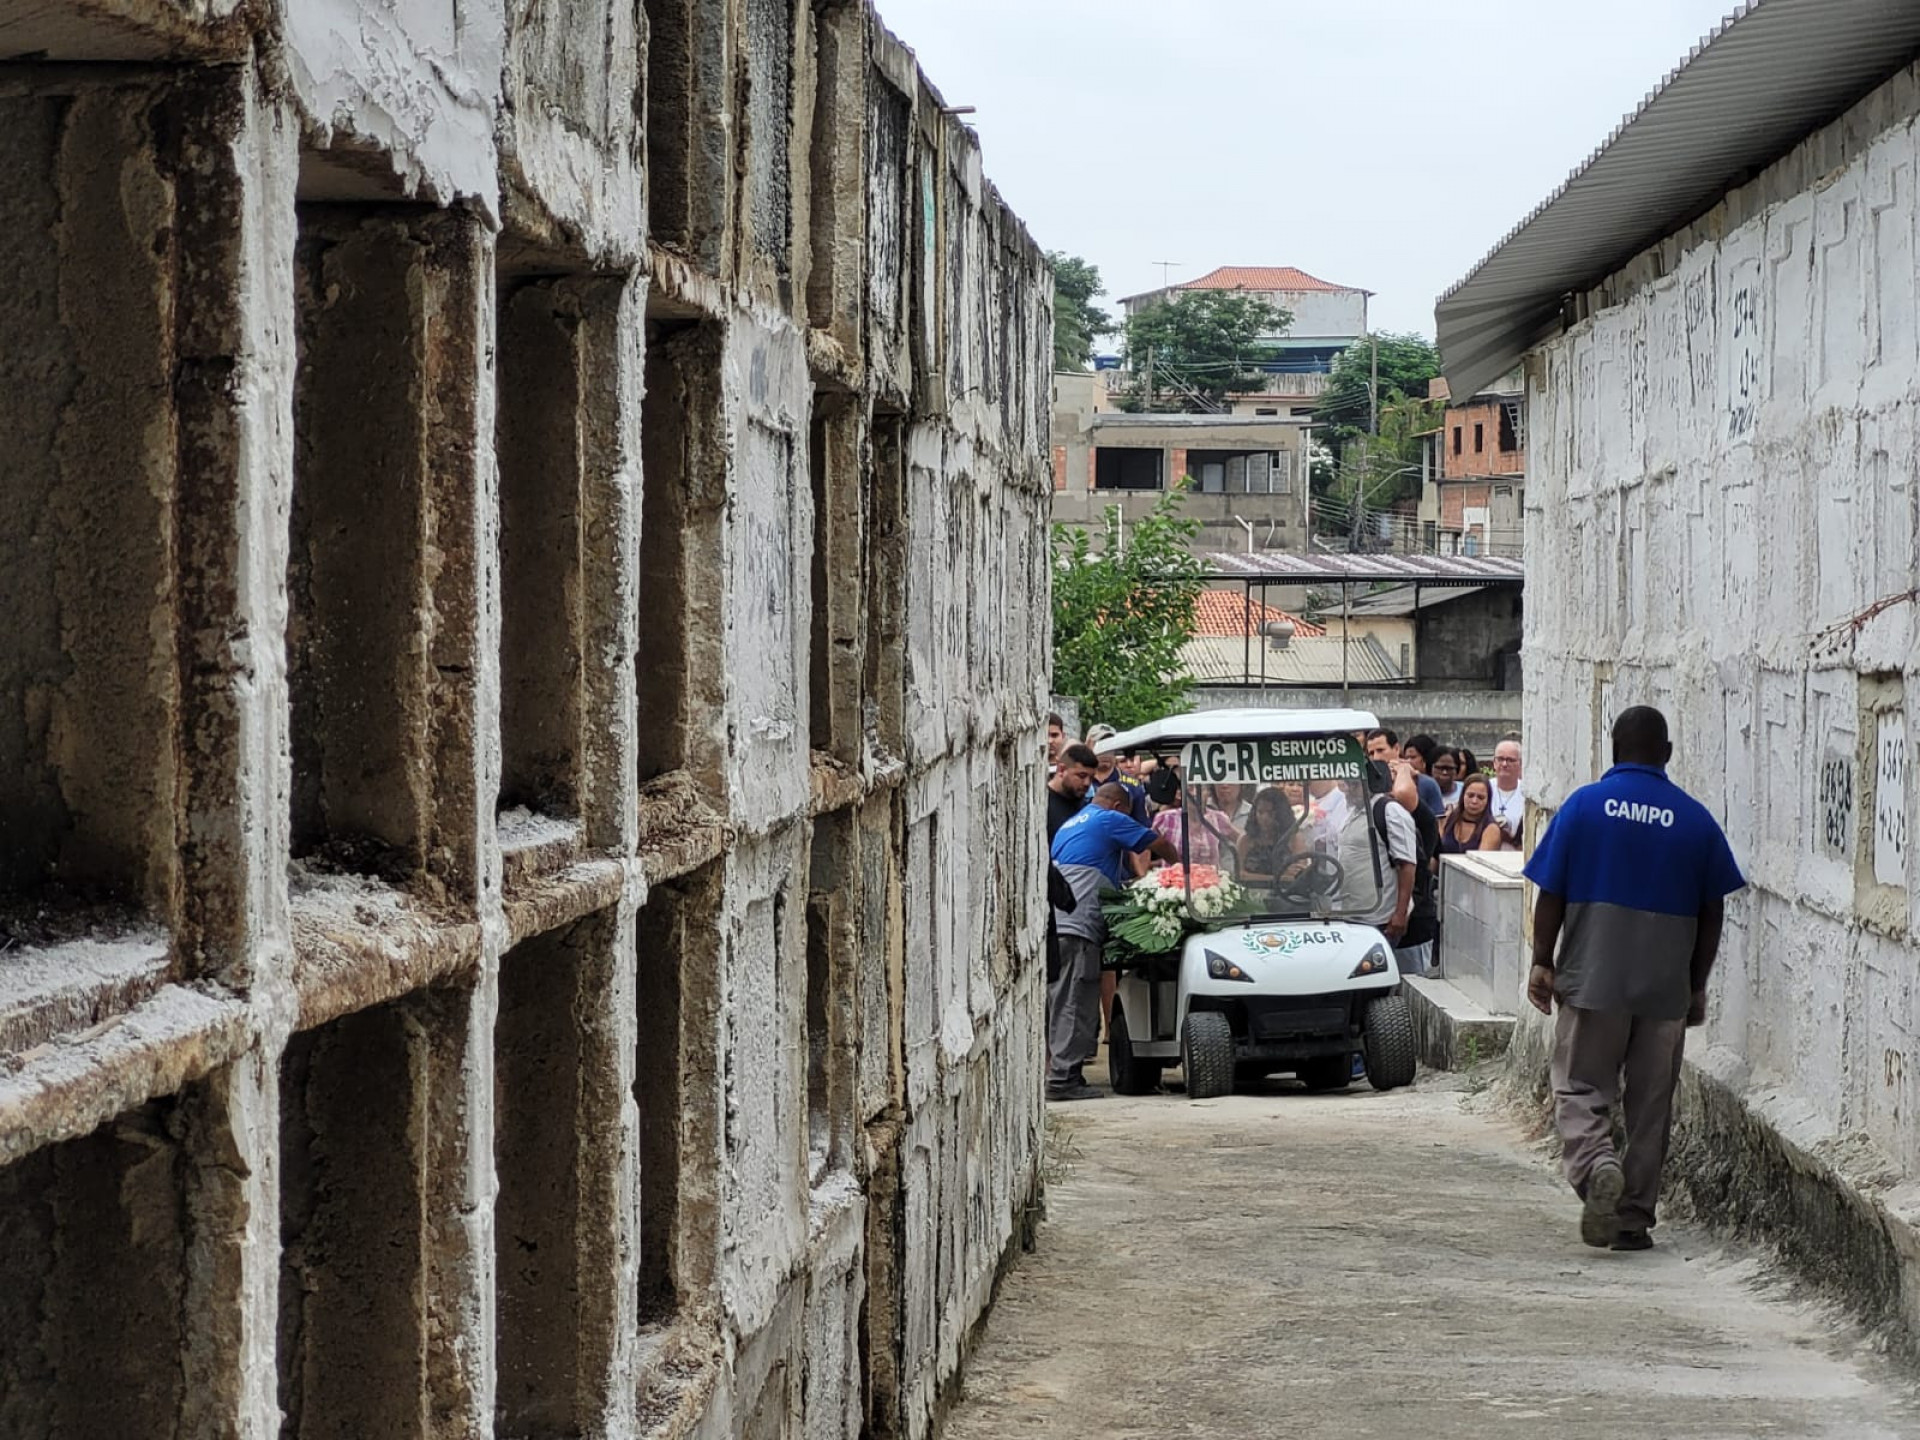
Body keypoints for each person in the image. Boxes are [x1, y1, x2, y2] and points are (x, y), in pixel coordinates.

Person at [1525, 706, 1745, 1252]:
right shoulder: (1695, 820)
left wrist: (1542, 960)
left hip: (1593, 977)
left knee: (1580, 1086)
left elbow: (1551, 892)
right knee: (1650, 1107)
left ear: (1614, 748)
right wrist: (1696, 984)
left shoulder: (1583, 808)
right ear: (1666, 753)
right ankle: (1632, 1218)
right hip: (1664, 987)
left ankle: (1598, 1165)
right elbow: (1713, 910)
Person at [1049, 784, 1179, 1101]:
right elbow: (1160, 844)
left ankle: (1061, 1072)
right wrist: (1180, 871)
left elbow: (1096, 868)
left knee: (1060, 1000)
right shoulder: (1108, 818)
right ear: (1120, 806)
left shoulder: (1072, 824)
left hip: (1058, 924)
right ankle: (1063, 1080)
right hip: (1079, 925)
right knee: (1075, 1001)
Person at [1147, 768, 1237, 868]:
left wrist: (1240, 869)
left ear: (1208, 793)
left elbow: (1242, 840)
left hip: (1210, 877)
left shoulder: (1219, 818)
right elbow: (1145, 843)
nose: (1194, 793)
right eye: (1190, 788)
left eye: (1200, 789)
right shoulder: (1165, 818)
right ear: (1181, 793)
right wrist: (1144, 869)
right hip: (1175, 877)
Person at [1237, 788, 1307, 886]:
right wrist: (1280, 877)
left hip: (1287, 892)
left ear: (1281, 814)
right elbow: (1240, 875)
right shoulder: (1246, 840)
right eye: (1260, 812)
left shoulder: (1294, 839)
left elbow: (1300, 876)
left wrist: (1253, 877)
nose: (1264, 818)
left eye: (1270, 813)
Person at [1084, 724, 1149, 826]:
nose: (1105, 750)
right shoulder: (1078, 780)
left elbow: (1140, 826)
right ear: (1088, 746)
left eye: (1110, 744)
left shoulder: (1132, 786)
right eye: (1100, 744)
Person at [1369, 729, 1444, 818]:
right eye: (1371, 753)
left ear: (1396, 748)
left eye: (1380, 750)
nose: (1376, 757)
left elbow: (1439, 822)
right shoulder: (1368, 786)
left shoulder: (1426, 783)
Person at [1438, 774, 1505, 856]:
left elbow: (1481, 860)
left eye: (1480, 797)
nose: (1474, 801)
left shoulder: (1491, 829)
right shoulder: (1449, 818)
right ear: (1463, 795)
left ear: (1488, 800)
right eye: (1470, 795)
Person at [1048, 743, 1099, 839]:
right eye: (1081, 776)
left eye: (1091, 778)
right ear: (1061, 770)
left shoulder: (1090, 804)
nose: (1087, 783)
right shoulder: (1043, 804)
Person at [1489, 736, 1525, 847]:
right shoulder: (1485, 788)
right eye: (1500, 759)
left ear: (1520, 764)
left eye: (1510, 760)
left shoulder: (1527, 792)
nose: (1504, 764)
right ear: (1494, 763)